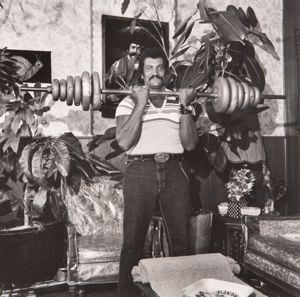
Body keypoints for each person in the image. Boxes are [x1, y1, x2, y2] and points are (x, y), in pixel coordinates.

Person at [115, 47, 198, 297]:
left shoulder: (179, 101)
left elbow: (191, 144)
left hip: (176, 170)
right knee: (132, 244)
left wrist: (184, 107)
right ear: (142, 72)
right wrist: (141, 104)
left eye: (159, 68)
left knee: (181, 242)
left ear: (167, 71)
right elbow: (123, 142)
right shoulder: (127, 102)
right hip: (140, 170)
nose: (155, 73)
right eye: (149, 68)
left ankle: (178, 293)